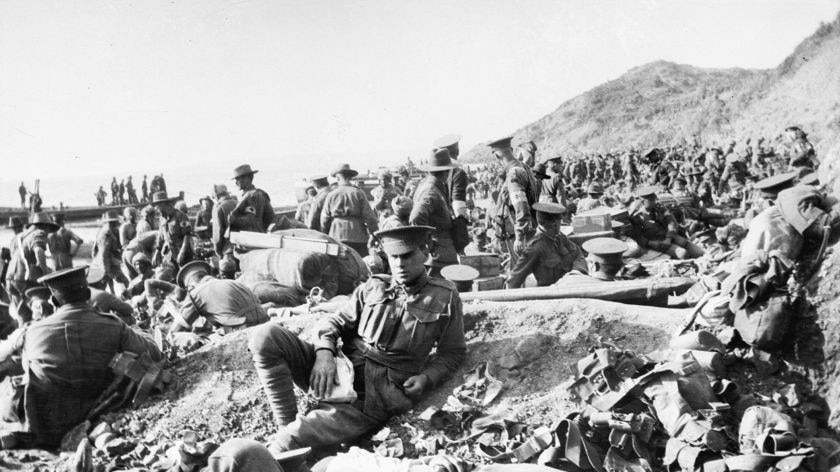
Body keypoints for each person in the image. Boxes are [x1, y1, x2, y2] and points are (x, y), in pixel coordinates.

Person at [248, 226, 465, 467]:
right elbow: (334, 321)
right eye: (394, 257)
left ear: (424, 253)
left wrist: (427, 378)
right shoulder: (374, 287)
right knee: (266, 336)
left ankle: (293, 440)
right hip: (339, 370)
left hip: (375, 395)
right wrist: (324, 353)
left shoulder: (444, 296)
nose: (400, 264)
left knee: (286, 441)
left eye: (407, 256)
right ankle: (287, 424)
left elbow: (453, 352)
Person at [0, 266, 163, 449]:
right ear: (87, 292)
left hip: (50, 416)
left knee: (10, 389)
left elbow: (29, 369)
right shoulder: (112, 324)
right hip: (100, 405)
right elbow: (155, 353)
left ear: (53, 299)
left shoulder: (33, 331)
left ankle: (20, 434)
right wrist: (138, 332)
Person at [169, 261, 268, 334]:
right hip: (264, 321)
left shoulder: (195, 293)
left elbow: (179, 328)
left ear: (190, 286)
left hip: (241, 330)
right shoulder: (232, 282)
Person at [506, 202, 587, 288]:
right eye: (560, 220)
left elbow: (577, 253)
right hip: (550, 296)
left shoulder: (559, 237)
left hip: (569, 288)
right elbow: (513, 281)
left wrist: (575, 273)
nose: (561, 223)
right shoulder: (535, 248)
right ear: (554, 225)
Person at [488, 136, 538, 267]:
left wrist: (520, 237)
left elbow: (521, 206)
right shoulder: (524, 168)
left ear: (496, 156)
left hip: (518, 232)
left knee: (519, 272)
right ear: (511, 149)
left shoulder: (513, 174)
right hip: (529, 226)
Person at [409, 148, 459, 276]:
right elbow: (416, 217)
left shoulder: (429, 186)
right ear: (446, 172)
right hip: (439, 251)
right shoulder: (431, 191)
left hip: (440, 250)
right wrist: (428, 244)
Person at [320, 164, 379, 257]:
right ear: (350, 177)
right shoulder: (358, 193)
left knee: (340, 266)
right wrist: (374, 234)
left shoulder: (331, 195)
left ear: (338, 178)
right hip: (358, 235)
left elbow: (324, 219)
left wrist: (326, 234)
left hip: (337, 235)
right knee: (360, 263)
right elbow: (370, 217)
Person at [5, 213, 58, 313]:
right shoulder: (39, 232)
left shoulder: (17, 237)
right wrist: (46, 274)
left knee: (24, 313)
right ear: (45, 225)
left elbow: (17, 257)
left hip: (10, 280)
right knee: (42, 308)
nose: (48, 232)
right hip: (25, 281)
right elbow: (39, 251)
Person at [151, 191, 193, 268]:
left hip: (183, 253)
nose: (156, 208)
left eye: (157, 206)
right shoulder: (162, 219)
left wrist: (182, 253)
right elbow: (160, 237)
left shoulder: (181, 216)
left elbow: (187, 235)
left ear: (163, 204)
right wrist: (157, 252)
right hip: (170, 254)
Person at [433, 134, 470, 219]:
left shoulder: (434, 171)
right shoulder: (459, 173)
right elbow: (458, 205)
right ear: (457, 151)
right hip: (451, 222)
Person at [92, 210, 129, 293]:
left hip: (103, 260)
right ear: (113, 222)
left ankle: (112, 293)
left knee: (106, 282)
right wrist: (106, 269)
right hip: (106, 262)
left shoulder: (107, 230)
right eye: (116, 221)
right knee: (124, 280)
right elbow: (104, 253)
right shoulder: (107, 234)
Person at [230, 165, 275, 234]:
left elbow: (250, 219)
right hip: (260, 235)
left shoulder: (252, 196)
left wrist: (233, 220)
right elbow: (269, 217)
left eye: (237, 179)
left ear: (247, 178)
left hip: (254, 238)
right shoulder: (258, 193)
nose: (236, 183)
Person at [211, 184, 238, 258]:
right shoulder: (237, 203)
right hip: (242, 247)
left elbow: (218, 233)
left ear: (216, 196)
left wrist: (218, 251)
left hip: (228, 250)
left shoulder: (219, 207)